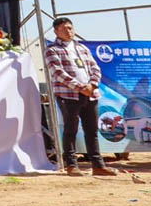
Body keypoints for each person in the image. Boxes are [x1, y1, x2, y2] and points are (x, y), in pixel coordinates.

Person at [45, 18, 117, 177]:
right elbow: (57, 72)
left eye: (70, 28)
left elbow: (95, 68)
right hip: (68, 95)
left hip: (90, 95)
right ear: (56, 31)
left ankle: (98, 165)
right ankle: (71, 165)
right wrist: (79, 87)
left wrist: (92, 85)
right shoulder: (52, 49)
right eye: (64, 29)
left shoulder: (81, 48)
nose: (68, 31)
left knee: (91, 130)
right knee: (70, 129)